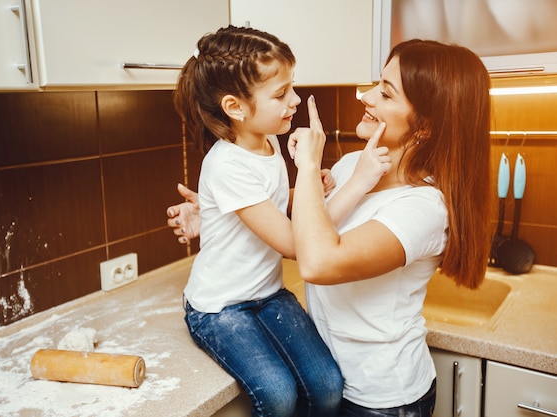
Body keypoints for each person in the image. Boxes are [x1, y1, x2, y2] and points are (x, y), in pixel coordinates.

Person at [167, 39, 493, 417]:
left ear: (424, 127)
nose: (366, 96)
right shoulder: (354, 164)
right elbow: (304, 219)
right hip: (335, 376)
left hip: (382, 400)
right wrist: (218, 211)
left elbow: (315, 258)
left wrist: (308, 168)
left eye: (385, 94)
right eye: (376, 83)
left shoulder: (422, 209)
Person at [172, 25, 343, 417]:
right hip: (220, 308)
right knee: (279, 396)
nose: (295, 100)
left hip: (267, 295)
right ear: (235, 107)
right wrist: (310, 170)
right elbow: (292, 243)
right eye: (281, 94)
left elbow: (275, 204)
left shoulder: (269, 141)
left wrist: (310, 189)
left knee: (328, 386)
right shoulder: (227, 164)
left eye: (292, 87)